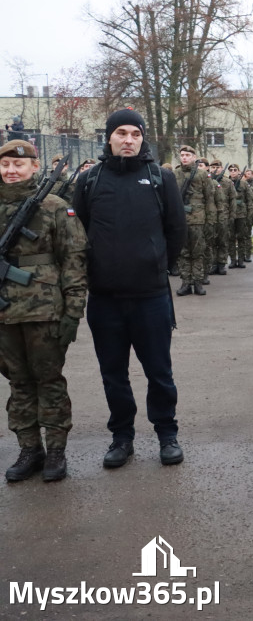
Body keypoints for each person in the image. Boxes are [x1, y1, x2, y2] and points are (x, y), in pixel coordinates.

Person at [72, 109, 187, 468]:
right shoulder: (89, 180)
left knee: (159, 372)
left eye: (135, 134)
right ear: (108, 137)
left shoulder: (160, 178)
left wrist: (157, 265)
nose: (128, 140)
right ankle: (122, 438)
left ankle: (167, 434)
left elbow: (176, 230)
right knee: (113, 375)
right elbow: (79, 234)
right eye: (121, 133)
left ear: (142, 138)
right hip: (105, 300)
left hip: (151, 298)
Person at [0, 140, 88, 482]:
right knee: (19, 383)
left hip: (45, 312)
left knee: (49, 381)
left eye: (18, 165)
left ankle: (55, 451)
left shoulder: (54, 207)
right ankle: (29, 449)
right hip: (4, 315)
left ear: (34, 167)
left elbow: (74, 261)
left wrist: (73, 311)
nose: (11, 170)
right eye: (5, 164)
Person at [173, 147, 215, 296]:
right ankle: (186, 283)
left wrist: (210, 221)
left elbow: (209, 198)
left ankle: (198, 283)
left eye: (187, 155)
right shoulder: (175, 174)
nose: (184, 157)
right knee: (183, 253)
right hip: (180, 220)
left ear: (194, 157)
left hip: (198, 219)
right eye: (182, 155)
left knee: (198, 252)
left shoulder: (202, 174)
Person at [226, 164, 253, 269]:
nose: (233, 172)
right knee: (230, 238)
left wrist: (250, 215)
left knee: (241, 238)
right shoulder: (226, 183)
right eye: (231, 170)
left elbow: (250, 200)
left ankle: (241, 260)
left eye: (235, 170)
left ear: (239, 171)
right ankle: (233, 260)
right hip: (230, 214)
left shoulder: (244, 184)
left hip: (242, 214)